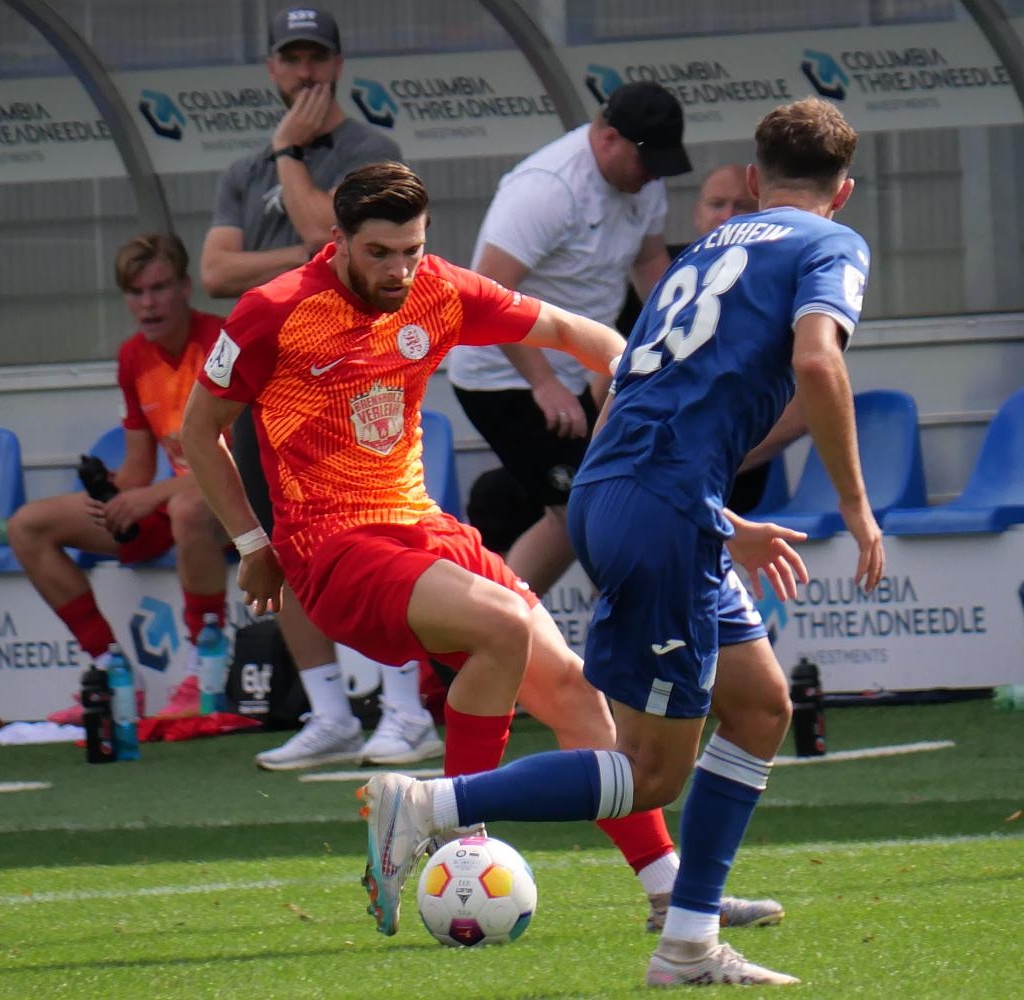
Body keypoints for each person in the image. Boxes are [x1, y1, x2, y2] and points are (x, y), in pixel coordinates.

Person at [183, 160, 781, 939]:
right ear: (336, 242)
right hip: (332, 546)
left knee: (572, 691)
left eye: (411, 249)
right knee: (503, 625)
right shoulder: (274, 311)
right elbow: (200, 430)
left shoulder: (439, 289)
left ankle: (668, 892)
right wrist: (253, 541)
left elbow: (578, 335)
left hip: (424, 527)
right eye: (379, 254)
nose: (400, 270)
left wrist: (637, 391)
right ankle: (454, 842)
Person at [361, 99, 884, 987]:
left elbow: (633, 393)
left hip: (641, 495)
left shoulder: (708, 249)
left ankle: (687, 944)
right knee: (647, 775)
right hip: (665, 507)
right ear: (845, 189)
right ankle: (434, 803)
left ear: (753, 182)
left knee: (759, 708)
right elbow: (816, 362)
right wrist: (858, 510)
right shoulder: (829, 243)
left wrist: (719, 519)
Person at [201, 6, 438, 770]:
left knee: (374, 536)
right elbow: (214, 272)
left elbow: (321, 240)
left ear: (336, 66)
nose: (303, 73)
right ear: (273, 69)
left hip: (350, 369)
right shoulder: (247, 166)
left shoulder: (370, 149)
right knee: (285, 542)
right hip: (271, 376)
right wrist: (282, 173)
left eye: (316, 59)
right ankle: (330, 710)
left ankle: (406, 711)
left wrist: (292, 161)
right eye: (290, 60)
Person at [447, 80, 690, 599]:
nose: (653, 177)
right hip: (504, 376)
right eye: (647, 163)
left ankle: (505, 629)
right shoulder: (546, 190)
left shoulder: (643, 181)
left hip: (576, 368)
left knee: (587, 508)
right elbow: (486, 295)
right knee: (584, 509)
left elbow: (649, 263)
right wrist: (544, 384)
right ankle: (504, 631)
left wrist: (680, 338)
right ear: (608, 140)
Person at [6, 233, 228, 715]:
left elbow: (237, 465)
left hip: (239, 504)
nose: (147, 304)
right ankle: (112, 672)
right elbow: (139, 468)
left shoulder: (221, 342)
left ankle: (207, 666)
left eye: (159, 288)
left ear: (186, 288)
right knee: (27, 525)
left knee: (188, 507)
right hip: (175, 501)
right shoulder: (133, 356)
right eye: (136, 292)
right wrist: (114, 492)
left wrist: (151, 497)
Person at [617, 164, 805, 515]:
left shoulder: (782, 279)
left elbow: (806, 406)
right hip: (646, 465)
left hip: (728, 479)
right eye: (717, 204)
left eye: (742, 206)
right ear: (697, 213)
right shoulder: (667, 278)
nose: (727, 216)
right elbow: (609, 381)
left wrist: (714, 460)